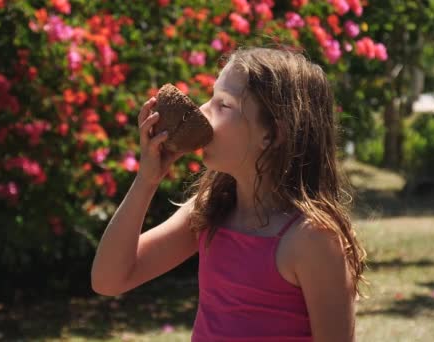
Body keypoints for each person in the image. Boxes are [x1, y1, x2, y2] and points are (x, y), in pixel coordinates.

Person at [91, 46, 367, 342]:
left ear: (272, 134)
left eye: (223, 105)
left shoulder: (311, 238)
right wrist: (147, 180)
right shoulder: (211, 210)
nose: (202, 112)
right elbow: (109, 279)